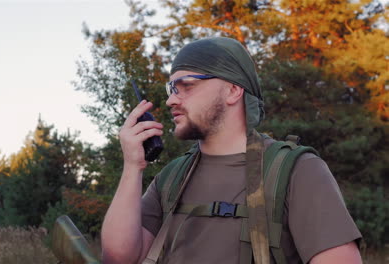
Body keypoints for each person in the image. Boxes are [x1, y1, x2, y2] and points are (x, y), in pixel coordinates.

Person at [101, 37, 362, 264]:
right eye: (171, 88)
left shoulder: (296, 170)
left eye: (186, 85)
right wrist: (132, 167)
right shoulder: (171, 178)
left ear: (233, 90)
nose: (171, 100)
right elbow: (119, 258)